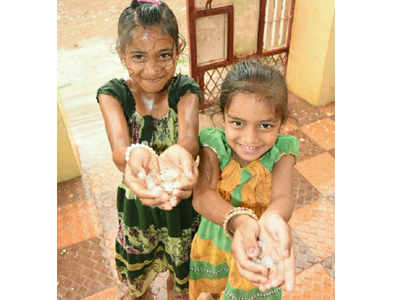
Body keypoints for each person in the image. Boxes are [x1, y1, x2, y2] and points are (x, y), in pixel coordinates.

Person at [96, 0, 201, 299]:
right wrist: (132, 157)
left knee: (180, 281)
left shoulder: (186, 90)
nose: (153, 69)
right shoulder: (113, 95)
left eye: (164, 55)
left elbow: (189, 138)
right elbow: (119, 148)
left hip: (179, 204)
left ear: (178, 50)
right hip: (138, 207)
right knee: (138, 282)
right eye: (139, 57)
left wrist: (181, 154)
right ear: (121, 54)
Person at [189, 59, 299, 300]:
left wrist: (272, 217)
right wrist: (240, 222)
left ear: (281, 123)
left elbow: (283, 197)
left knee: (248, 284)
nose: (250, 138)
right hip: (217, 235)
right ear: (223, 118)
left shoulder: (283, 152)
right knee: (213, 283)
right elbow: (202, 195)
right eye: (237, 123)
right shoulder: (213, 145)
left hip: (260, 240)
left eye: (265, 125)